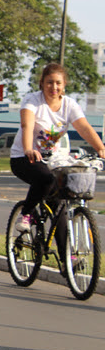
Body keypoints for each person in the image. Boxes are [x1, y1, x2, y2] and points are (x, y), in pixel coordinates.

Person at [10, 63, 105, 246]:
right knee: (46, 179)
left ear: (64, 84)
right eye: (49, 82)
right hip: (24, 158)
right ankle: (27, 214)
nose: (54, 87)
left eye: (58, 83)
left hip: (51, 160)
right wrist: (29, 148)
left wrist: (100, 148)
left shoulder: (69, 105)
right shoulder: (32, 101)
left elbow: (84, 127)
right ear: (42, 83)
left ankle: (68, 262)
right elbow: (27, 125)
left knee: (60, 206)